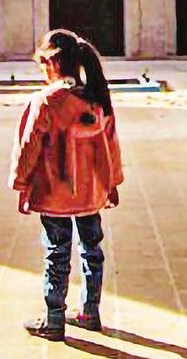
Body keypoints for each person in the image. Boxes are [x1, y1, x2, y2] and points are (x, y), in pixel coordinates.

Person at [9, 29, 124, 340]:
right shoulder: (96, 99)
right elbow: (111, 144)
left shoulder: (46, 102)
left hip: (54, 193)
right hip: (91, 193)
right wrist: (112, 182)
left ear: (52, 63)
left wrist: (22, 184)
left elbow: (28, 148)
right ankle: (90, 312)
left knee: (56, 254)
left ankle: (54, 319)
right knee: (92, 251)